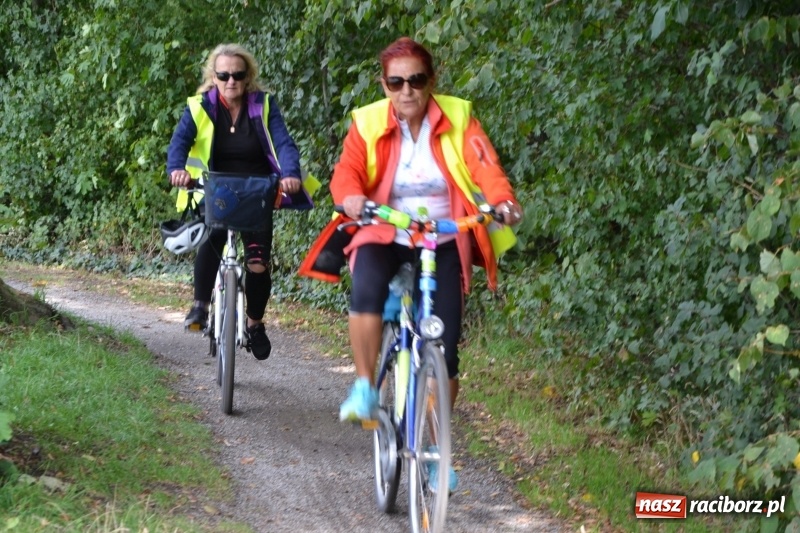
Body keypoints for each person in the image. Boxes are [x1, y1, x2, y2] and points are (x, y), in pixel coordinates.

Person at [299, 37, 523, 491]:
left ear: (430, 81)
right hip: (385, 229)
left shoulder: (458, 119)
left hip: (443, 235)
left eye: (416, 80)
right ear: (384, 85)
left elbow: (486, 167)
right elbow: (347, 173)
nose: (407, 90)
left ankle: (435, 451)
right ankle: (365, 388)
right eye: (396, 81)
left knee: (448, 346)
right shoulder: (367, 123)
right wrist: (351, 197)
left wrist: (502, 201)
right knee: (365, 289)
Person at [166, 43, 303, 361]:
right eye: (224, 75)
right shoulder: (200, 106)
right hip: (216, 191)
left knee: (257, 264)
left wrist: (290, 174)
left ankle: (255, 324)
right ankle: (199, 306)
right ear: (213, 77)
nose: (231, 81)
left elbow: (284, 143)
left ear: (248, 77)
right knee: (212, 238)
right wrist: (176, 170)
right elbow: (180, 141)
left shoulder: (263, 105)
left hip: (257, 193)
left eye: (237, 75)